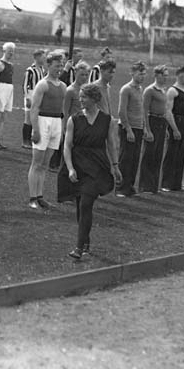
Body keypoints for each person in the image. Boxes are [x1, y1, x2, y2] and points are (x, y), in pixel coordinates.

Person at [57, 83, 121, 260]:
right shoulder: (74, 120)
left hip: (97, 167)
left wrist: (115, 166)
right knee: (80, 206)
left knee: (86, 203)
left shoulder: (107, 120)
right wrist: (70, 168)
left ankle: (78, 247)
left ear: (94, 99)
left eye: (84, 97)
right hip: (78, 166)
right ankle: (85, 240)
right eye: (80, 97)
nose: (80, 100)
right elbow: (67, 146)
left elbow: (112, 145)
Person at [27, 51, 66, 210]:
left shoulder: (63, 86)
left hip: (56, 123)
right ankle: (32, 197)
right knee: (36, 163)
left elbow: (63, 109)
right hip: (43, 122)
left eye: (61, 66)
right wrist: (35, 130)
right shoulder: (42, 85)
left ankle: (40, 196)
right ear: (48, 66)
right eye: (57, 66)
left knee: (45, 164)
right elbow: (34, 109)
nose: (60, 69)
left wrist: (62, 129)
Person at [115, 61, 147, 197]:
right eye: (140, 74)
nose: (142, 77)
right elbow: (121, 112)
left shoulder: (140, 89)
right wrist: (128, 129)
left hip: (138, 128)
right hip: (128, 127)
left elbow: (142, 110)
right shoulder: (126, 89)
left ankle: (130, 186)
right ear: (132, 73)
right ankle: (121, 188)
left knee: (135, 159)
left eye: (144, 74)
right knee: (125, 158)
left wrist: (144, 127)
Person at [138, 65, 171, 194]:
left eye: (167, 75)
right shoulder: (150, 90)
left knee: (158, 154)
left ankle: (154, 185)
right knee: (149, 154)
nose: (165, 78)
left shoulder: (164, 90)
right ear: (157, 75)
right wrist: (147, 129)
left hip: (161, 122)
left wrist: (166, 128)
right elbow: (145, 110)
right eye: (163, 75)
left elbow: (165, 110)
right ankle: (145, 185)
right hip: (152, 121)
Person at [160, 66, 184, 192]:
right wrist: (175, 129)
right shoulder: (172, 91)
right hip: (175, 123)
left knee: (180, 155)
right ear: (180, 75)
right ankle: (166, 183)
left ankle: (176, 184)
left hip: (183, 123)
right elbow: (168, 112)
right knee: (171, 154)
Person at [21, 48, 46, 149]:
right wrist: (27, 98)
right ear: (37, 57)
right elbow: (25, 84)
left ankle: (31, 140)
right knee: (28, 119)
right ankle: (25, 141)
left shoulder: (42, 69)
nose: (44, 58)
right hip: (31, 94)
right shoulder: (30, 70)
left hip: (38, 95)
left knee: (35, 118)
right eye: (43, 56)